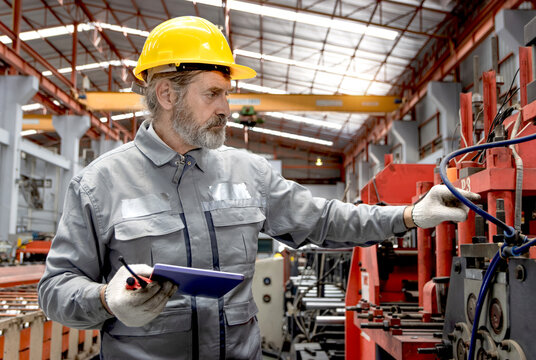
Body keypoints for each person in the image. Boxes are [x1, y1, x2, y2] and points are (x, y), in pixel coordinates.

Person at [38, 16, 479, 360]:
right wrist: (105, 299)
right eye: (212, 94)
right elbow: (55, 288)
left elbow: (324, 219)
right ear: (167, 95)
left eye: (227, 94)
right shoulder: (99, 184)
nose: (227, 108)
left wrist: (409, 215)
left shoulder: (247, 172)